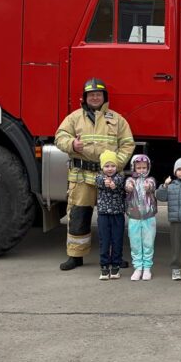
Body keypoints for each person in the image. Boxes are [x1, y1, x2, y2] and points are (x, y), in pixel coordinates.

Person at [55, 78, 135, 271]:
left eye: (98, 94)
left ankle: (114, 256)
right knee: (78, 215)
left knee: (112, 218)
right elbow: (60, 136)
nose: (95, 97)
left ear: (104, 97)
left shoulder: (116, 119)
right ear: (85, 98)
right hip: (82, 176)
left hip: (108, 178)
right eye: (91, 95)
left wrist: (115, 165)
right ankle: (75, 256)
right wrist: (72, 144)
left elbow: (128, 143)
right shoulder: (74, 118)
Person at [94, 150, 126, 280]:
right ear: (102, 167)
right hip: (103, 215)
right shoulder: (99, 177)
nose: (110, 169)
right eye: (107, 166)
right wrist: (106, 182)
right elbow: (99, 181)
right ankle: (104, 267)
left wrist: (113, 185)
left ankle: (115, 267)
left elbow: (118, 183)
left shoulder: (120, 177)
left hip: (118, 214)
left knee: (117, 240)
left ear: (116, 167)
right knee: (104, 241)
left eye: (112, 166)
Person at [125, 154, 157, 281]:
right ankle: (138, 267)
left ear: (148, 168)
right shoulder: (130, 180)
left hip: (149, 218)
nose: (142, 170)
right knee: (135, 244)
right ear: (134, 168)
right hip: (134, 217)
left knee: (148, 243)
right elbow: (127, 187)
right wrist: (129, 187)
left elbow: (152, 186)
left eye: (144, 167)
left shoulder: (151, 180)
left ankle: (147, 268)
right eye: (139, 168)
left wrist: (148, 187)